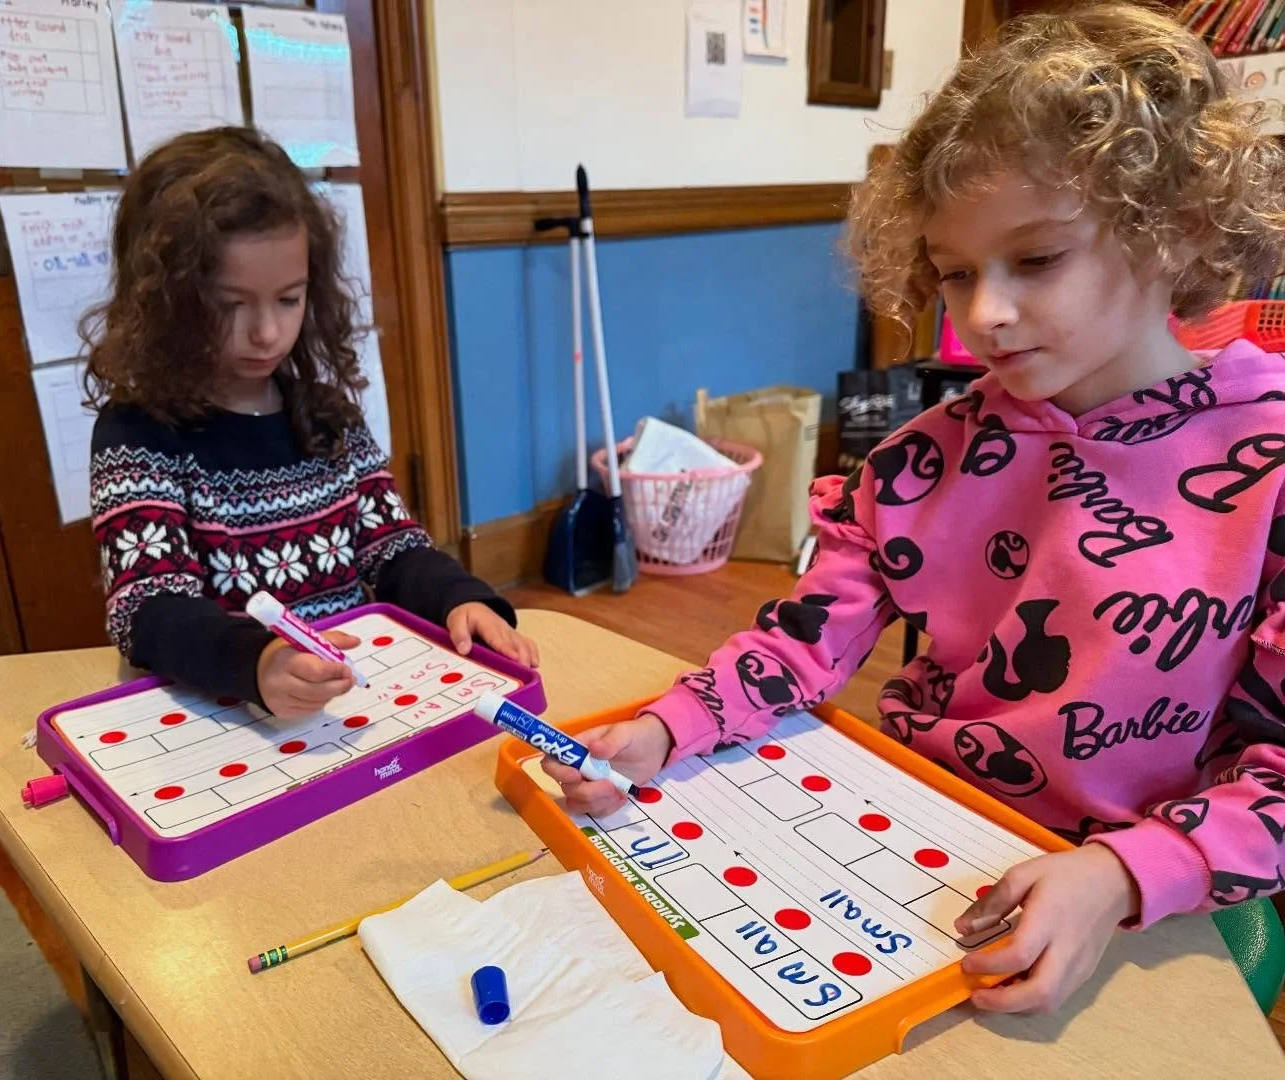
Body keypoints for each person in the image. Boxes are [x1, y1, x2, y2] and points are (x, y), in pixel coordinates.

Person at [546, 3, 1285, 1015]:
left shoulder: (1269, 468)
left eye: (1037, 259)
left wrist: (1124, 873)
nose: (984, 314)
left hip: (1146, 893)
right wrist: (670, 728)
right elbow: (803, 641)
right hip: (920, 836)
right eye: (954, 274)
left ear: (1179, 229)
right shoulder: (920, 461)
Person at [86, 127, 536, 720]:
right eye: (229, 304)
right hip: (225, 714)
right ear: (167, 300)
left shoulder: (327, 416)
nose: (267, 332)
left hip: (344, 707)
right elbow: (149, 607)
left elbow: (394, 548)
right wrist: (257, 660)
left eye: (289, 299)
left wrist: (459, 599)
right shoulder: (137, 434)